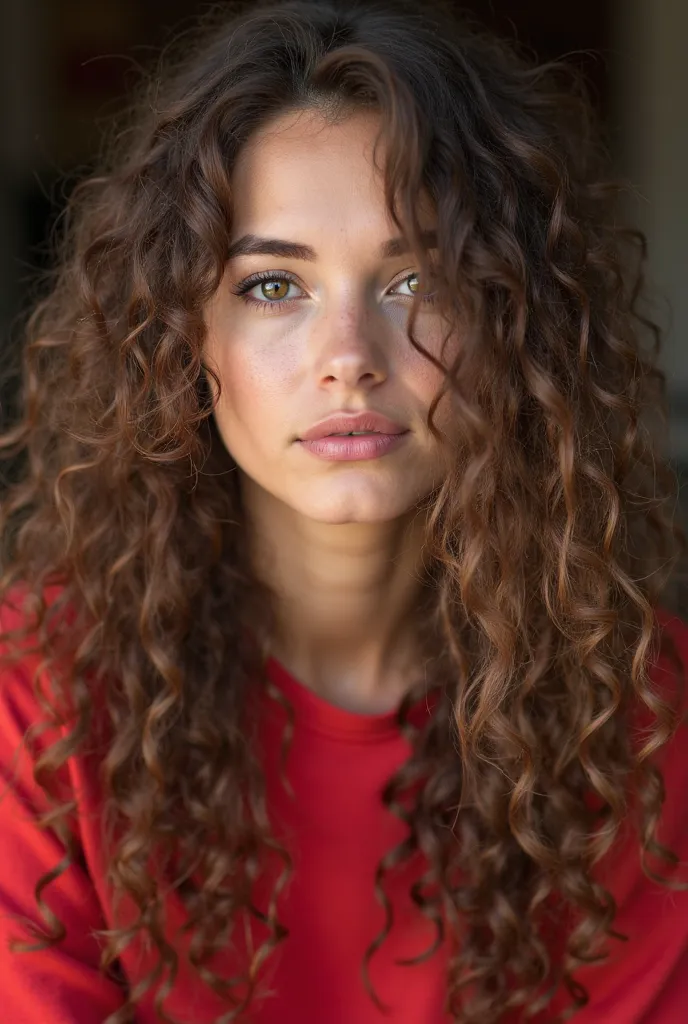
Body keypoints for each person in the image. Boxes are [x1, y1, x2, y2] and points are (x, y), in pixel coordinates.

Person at [0, 0, 686, 1021]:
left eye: (418, 278)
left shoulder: (636, 712)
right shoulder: (36, 702)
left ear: (514, 325)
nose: (350, 355)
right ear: (184, 338)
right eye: (274, 286)